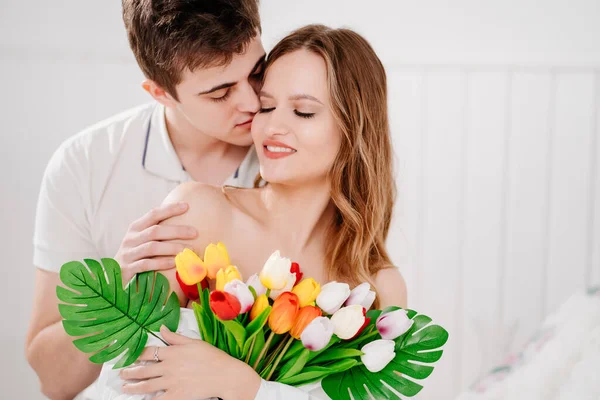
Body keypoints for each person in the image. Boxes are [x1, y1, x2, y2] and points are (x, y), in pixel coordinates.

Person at [100, 24, 408, 400]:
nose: (272, 126)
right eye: (266, 106)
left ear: (355, 129)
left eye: (303, 111)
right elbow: (122, 380)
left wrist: (248, 388)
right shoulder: (197, 213)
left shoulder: (377, 286)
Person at [25, 1, 265, 398]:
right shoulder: (84, 165)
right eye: (220, 92)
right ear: (160, 93)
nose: (253, 103)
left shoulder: (297, 155)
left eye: (257, 72)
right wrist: (113, 289)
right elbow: (53, 380)